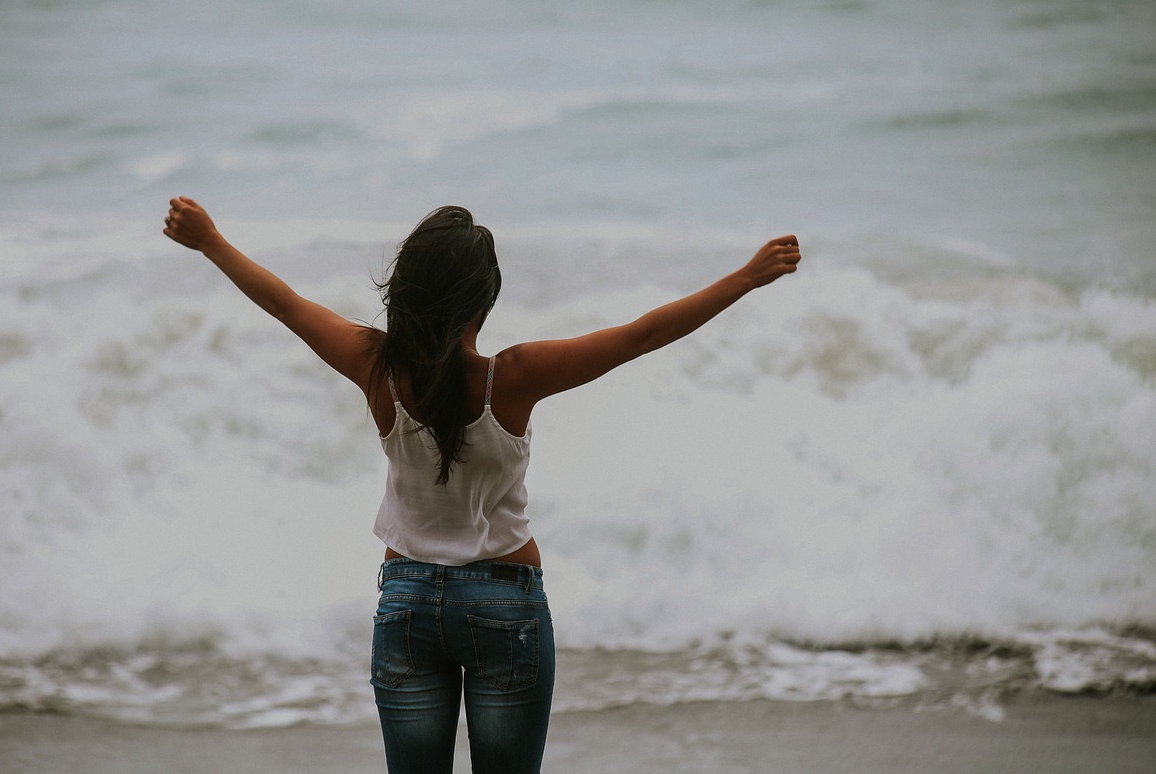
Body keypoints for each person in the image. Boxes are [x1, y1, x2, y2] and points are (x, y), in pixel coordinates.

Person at [162, 196, 800, 773]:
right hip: (505, 603)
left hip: (406, 602)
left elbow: (283, 303)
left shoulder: (376, 366)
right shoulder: (514, 376)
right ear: (484, 299)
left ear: (406, 291)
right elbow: (640, 336)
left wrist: (211, 241)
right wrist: (745, 278)